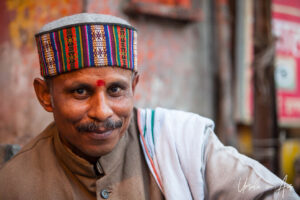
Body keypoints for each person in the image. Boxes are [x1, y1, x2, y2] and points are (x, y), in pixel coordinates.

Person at [0, 13, 298, 200]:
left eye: (116, 90)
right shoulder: (13, 185)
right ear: (44, 95)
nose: (102, 111)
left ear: (135, 87)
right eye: (80, 91)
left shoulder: (184, 144)